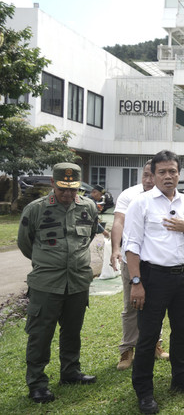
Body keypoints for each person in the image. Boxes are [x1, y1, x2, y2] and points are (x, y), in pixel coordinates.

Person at [124, 150, 184, 414]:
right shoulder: (142, 203)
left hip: (183, 275)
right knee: (148, 337)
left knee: (182, 332)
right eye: (162, 172)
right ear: (154, 174)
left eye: (173, 171)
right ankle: (144, 392)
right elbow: (132, 246)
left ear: (179, 173)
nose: (168, 176)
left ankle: (181, 378)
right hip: (152, 277)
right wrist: (136, 282)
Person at [17, 163, 99, 404]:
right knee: (40, 335)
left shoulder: (89, 207)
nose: (68, 194)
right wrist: (48, 262)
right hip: (46, 284)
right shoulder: (36, 210)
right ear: (53, 184)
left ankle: (70, 372)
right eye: (63, 189)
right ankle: (37, 383)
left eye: (73, 189)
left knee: (72, 331)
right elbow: (25, 243)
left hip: (77, 282)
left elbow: (90, 235)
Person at [110, 160, 169, 370]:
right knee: (131, 306)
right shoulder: (129, 195)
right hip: (131, 261)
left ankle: (156, 344)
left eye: (152, 176)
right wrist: (115, 249)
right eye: (145, 175)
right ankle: (127, 350)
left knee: (157, 305)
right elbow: (118, 222)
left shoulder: (168, 198)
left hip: (157, 264)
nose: (148, 180)